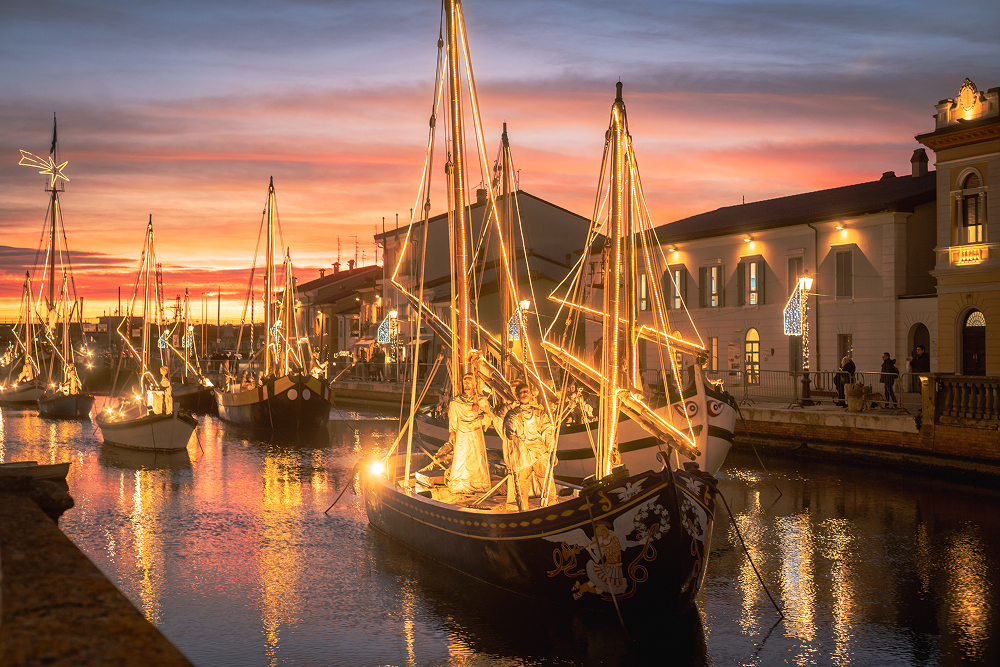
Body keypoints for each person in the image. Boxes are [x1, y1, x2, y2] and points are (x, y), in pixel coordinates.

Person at [503, 382, 557, 510]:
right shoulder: (513, 414)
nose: (524, 394)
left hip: (540, 452)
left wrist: (552, 452)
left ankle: (554, 509)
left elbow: (548, 431)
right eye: (521, 392)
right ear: (517, 395)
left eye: (526, 391)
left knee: (547, 483)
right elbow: (509, 424)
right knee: (521, 487)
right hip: (522, 453)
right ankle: (524, 513)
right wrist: (510, 432)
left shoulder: (539, 413)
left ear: (531, 394)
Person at [444, 374, 491, 494]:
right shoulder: (457, 401)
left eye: (469, 382)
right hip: (462, 433)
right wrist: (452, 431)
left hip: (476, 431)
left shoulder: (482, 400)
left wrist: (483, 417)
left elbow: (489, 417)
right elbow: (453, 417)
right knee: (460, 457)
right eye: (465, 382)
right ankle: (459, 484)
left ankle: (479, 485)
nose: (466, 385)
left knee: (477, 457)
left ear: (475, 384)